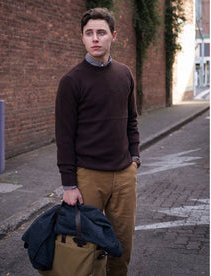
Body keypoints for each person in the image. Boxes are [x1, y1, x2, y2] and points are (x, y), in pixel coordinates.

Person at [55, 8, 140, 275]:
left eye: (101, 33)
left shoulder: (124, 74)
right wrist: (69, 184)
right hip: (88, 177)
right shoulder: (71, 81)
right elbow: (64, 136)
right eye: (89, 33)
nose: (95, 38)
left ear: (113, 36)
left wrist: (135, 158)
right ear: (82, 38)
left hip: (124, 174)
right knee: (88, 249)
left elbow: (132, 121)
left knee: (122, 247)